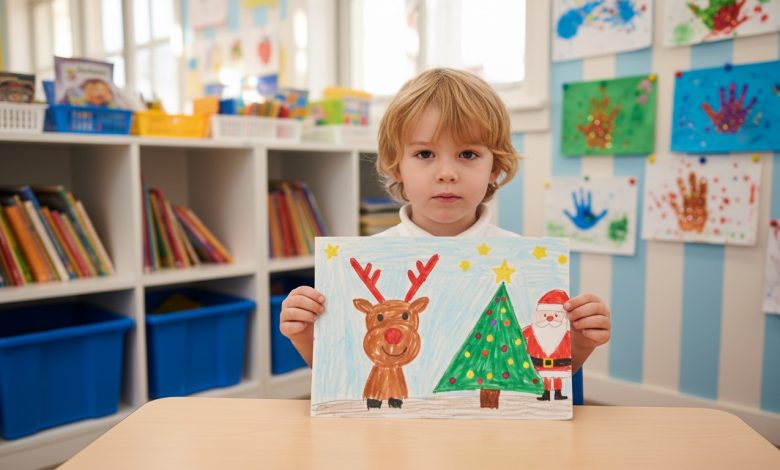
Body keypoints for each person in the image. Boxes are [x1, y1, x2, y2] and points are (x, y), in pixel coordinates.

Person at [279, 68, 611, 374]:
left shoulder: (523, 262)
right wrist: (305, 335)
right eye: (425, 154)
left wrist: (582, 342)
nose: (447, 174)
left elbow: (547, 372)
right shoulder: (364, 265)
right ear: (397, 167)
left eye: (468, 155)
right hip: (395, 434)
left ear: (494, 167)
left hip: (494, 434)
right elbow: (343, 372)